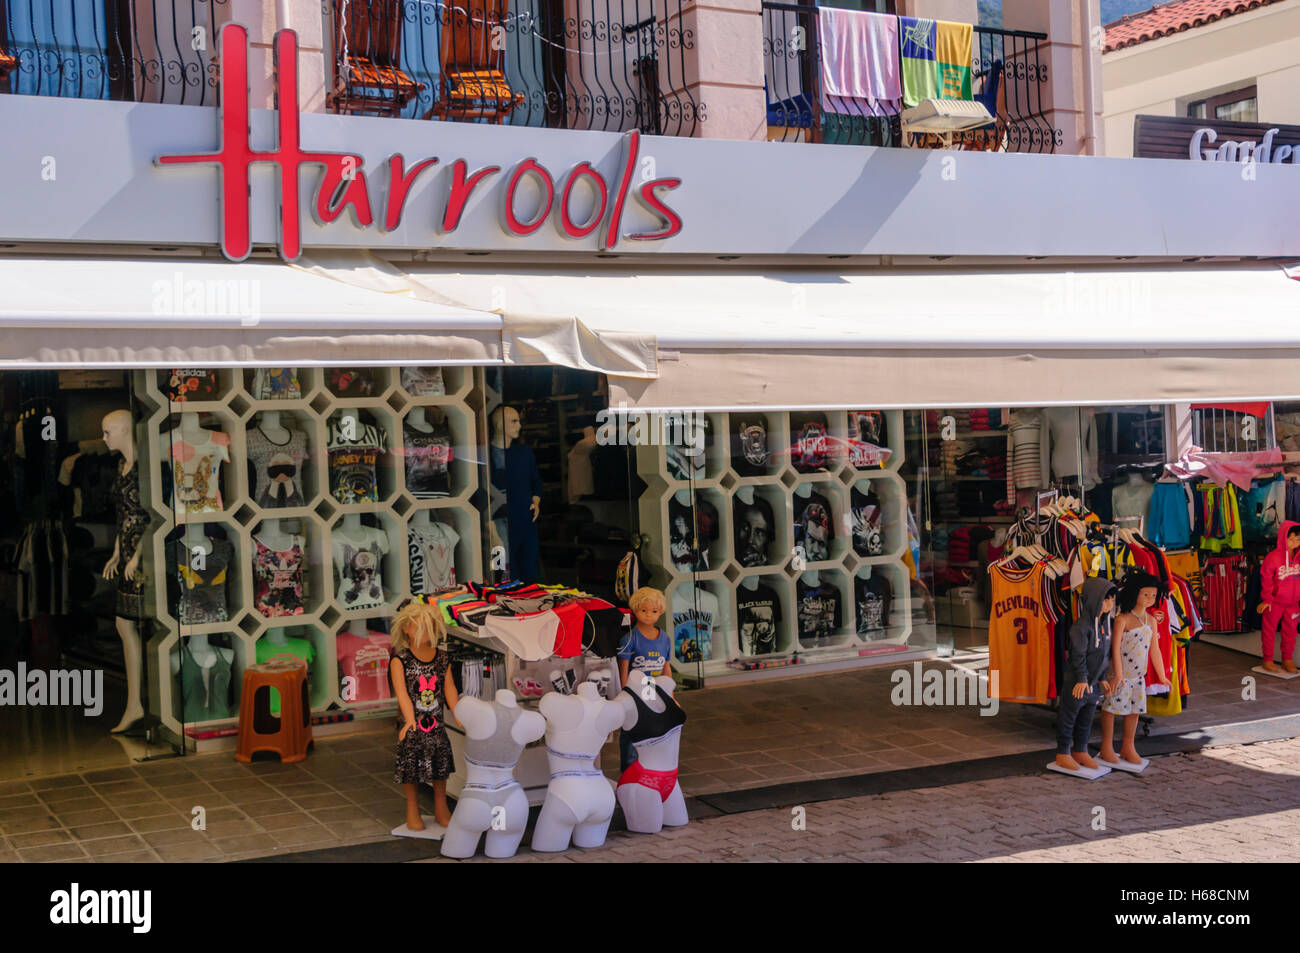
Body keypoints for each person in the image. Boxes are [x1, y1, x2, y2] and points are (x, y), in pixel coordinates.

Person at [390, 598, 461, 831]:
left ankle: (441, 806)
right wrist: (409, 720)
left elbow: (449, 687)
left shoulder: (441, 657)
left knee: (440, 766)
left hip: (437, 724)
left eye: (430, 628)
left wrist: (459, 713)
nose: (426, 634)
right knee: (410, 766)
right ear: (406, 629)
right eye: (421, 628)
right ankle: (413, 809)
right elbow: (402, 693)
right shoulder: (400, 660)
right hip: (413, 724)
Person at [1099, 572, 1169, 766]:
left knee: (1134, 711)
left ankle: (1128, 746)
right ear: (1134, 593)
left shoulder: (1151, 621)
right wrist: (1118, 673)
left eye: (1153, 595)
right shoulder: (1123, 619)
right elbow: (1115, 649)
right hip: (1121, 675)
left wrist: (1162, 675)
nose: (1149, 599)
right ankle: (1106, 746)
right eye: (1145, 594)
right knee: (1111, 708)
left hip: (1139, 676)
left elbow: (1154, 649)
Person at [1055, 578, 1116, 771]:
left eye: (1113, 599)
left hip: (1093, 684)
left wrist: (1102, 678)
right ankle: (1063, 752)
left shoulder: (1106, 626)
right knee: (1069, 717)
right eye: (1107, 599)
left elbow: (1105, 655)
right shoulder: (1081, 628)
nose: (1110, 603)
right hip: (1077, 683)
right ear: (1095, 600)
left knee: (1086, 718)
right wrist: (1081, 678)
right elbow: (1077, 655)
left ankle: (1081, 749)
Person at [617, 586, 673, 770]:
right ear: (635, 610)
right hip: (635, 693)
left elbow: (666, 666)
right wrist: (625, 695)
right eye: (644, 610)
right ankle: (629, 773)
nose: (649, 615)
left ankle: (651, 771)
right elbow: (623, 669)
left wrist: (670, 694)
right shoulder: (630, 639)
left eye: (654, 611)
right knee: (632, 734)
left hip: (656, 693)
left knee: (655, 735)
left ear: (660, 612)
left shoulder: (664, 639)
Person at [1257, 520, 1300, 674]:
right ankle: (1267, 659)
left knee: (1291, 631)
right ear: (1283, 537)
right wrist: (1267, 599)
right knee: (1269, 630)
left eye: (1298, 539)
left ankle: (1287, 659)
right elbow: (1266, 579)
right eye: (1291, 538)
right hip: (1274, 603)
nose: (1294, 542)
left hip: (1293, 603)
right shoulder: (1273, 557)